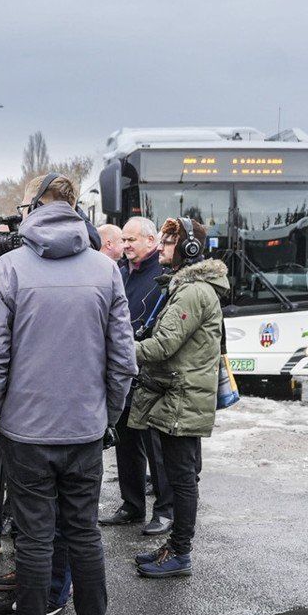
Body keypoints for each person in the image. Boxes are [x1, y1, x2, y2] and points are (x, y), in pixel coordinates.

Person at [0, 175, 135, 615]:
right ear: (73, 207)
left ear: (34, 208)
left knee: (34, 539)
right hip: (84, 428)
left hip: (25, 429)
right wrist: (106, 416)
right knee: (84, 535)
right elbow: (123, 361)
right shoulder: (105, 269)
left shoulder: (8, 268)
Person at [131, 217, 228, 579]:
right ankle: (174, 546)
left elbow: (164, 344)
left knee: (182, 479)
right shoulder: (184, 287)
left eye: (169, 243)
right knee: (176, 476)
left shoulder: (193, 292)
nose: (161, 249)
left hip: (184, 396)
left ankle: (181, 553)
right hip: (179, 393)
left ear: (189, 249)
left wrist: (121, 350)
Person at [105, 215, 171, 534]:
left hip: (150, 372)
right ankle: (132, 505)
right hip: (122, 371)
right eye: (124, 241)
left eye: (132, 240)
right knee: (126, 442)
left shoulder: (163, 275)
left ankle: (165, 510)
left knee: (154, 445)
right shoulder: (118, 272)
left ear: (150, 240)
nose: (126, 245)